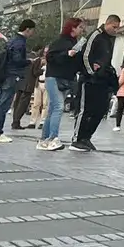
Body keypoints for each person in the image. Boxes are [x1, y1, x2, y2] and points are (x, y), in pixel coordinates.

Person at [70, 15, 122, 151]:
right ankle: (77, 139)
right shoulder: (96, 36)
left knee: (99, 110)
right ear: (107, 24)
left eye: (117, 28)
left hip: (102, 80)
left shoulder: (109, 40)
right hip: (89, 79)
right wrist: (91, 72)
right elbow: (86, 55)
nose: (115, 30)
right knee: (85, 110)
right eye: (114, 27)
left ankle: (86, 137)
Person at [0, 19, 36, 143]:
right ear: (27, 29)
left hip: (3, 75)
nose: (33, 33)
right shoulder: (20, 42)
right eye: (32, 30)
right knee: (4, 104)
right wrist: (29, 61)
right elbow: (17, 60)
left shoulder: (11, 40)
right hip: (12, 75)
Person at [39, 18, 85, 151]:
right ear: (73, 28)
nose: (82, 30)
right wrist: (66, 54)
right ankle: (53, 137)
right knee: (58, 107)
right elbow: (50, 57)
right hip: (54, 77)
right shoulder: (60, 42)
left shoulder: (76, 44)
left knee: (53, 109)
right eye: (80, 27)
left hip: (67, 78)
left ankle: (44, 139)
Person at [11, 49, 43, 130]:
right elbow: (35, 72)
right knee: (23, 104)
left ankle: (15, 121)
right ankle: (16, 121)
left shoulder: (24, 57)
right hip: (28, 84)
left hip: (20, 82)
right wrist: (42, 70)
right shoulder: (37, 59)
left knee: (17, 103)